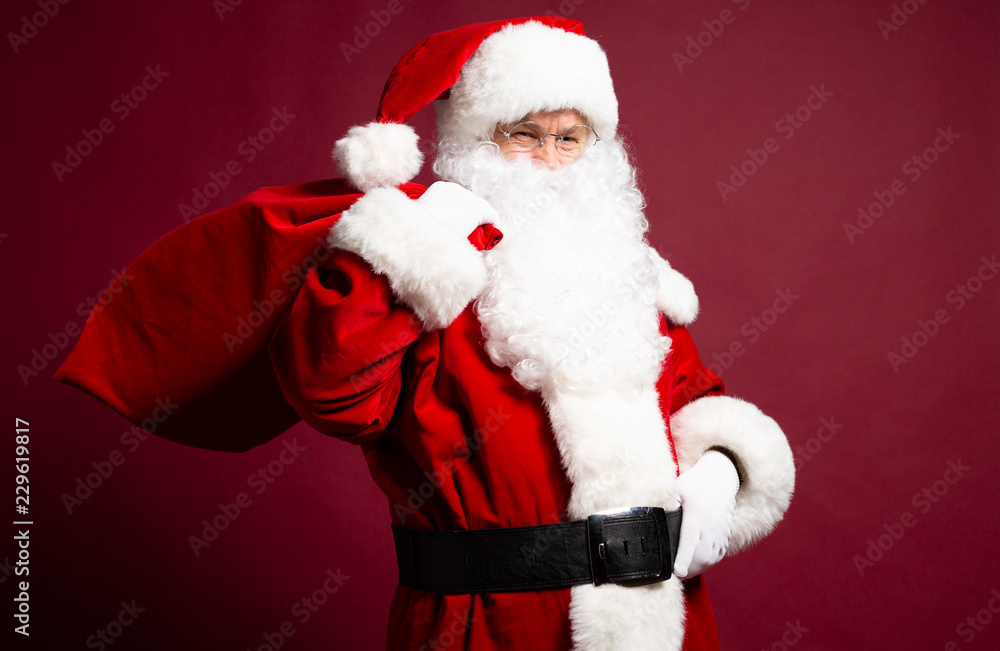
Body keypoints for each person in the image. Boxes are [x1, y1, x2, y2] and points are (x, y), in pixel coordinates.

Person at [56, 16, 794, 651]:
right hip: (483, 623)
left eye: (572, 138)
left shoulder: (635, 275)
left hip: (663, 621)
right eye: (524, 134)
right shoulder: (422, 268)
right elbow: (336, 395)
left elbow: (693, 393)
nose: (551, 159)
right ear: (475, 141)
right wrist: (408, 258)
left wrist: (724, 465)